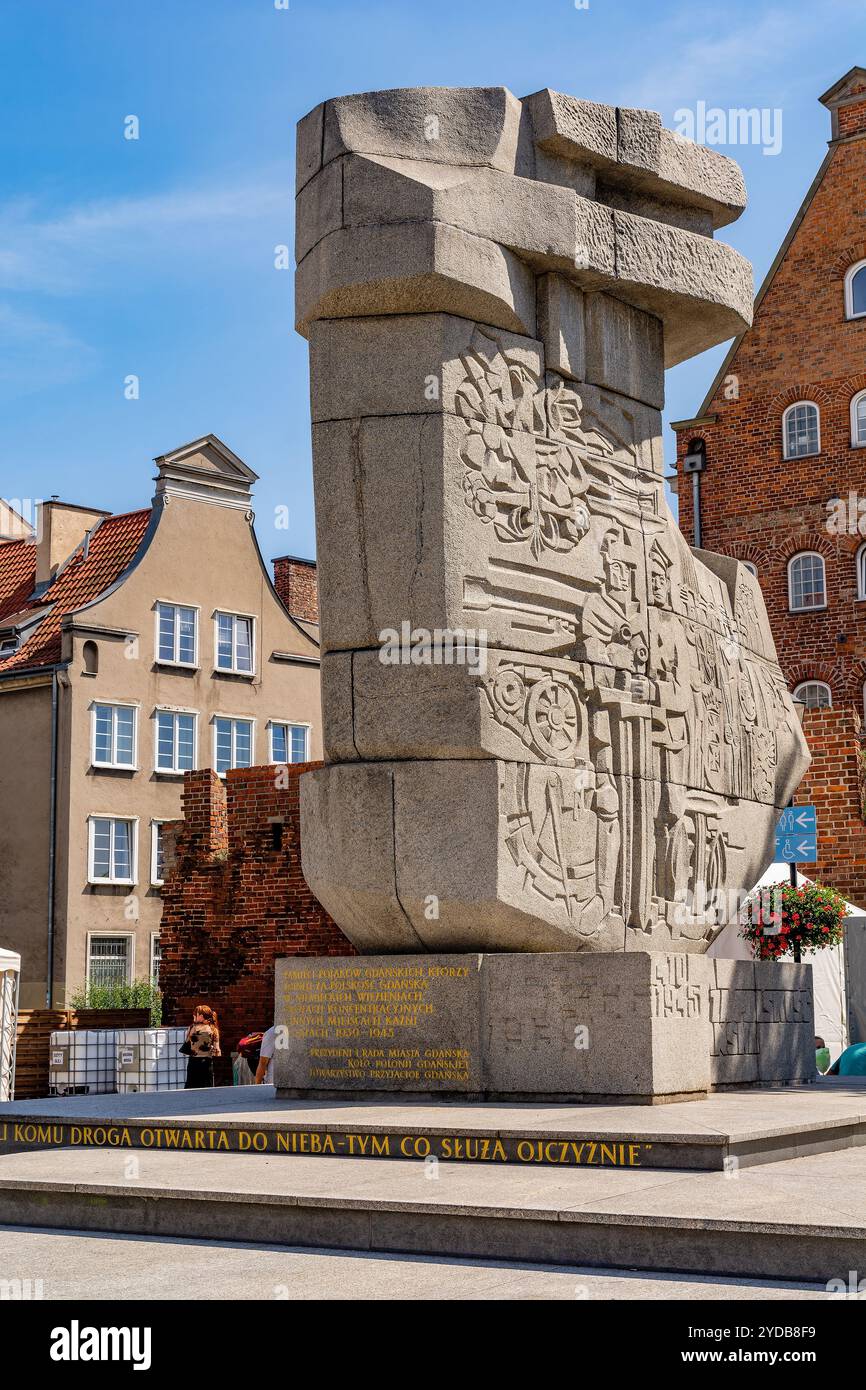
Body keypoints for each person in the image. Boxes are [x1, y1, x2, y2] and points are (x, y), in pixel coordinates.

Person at [183, 1004, 221, 1089]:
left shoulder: (192, 1027)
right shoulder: (213, 1029)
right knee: (206, 1086)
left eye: (196, 1014)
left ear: (201, 1016)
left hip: (194, 1060)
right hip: (206, 1060)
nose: (194, 1016)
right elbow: (217, 1050)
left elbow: (187, 1041)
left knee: (191, 1085)